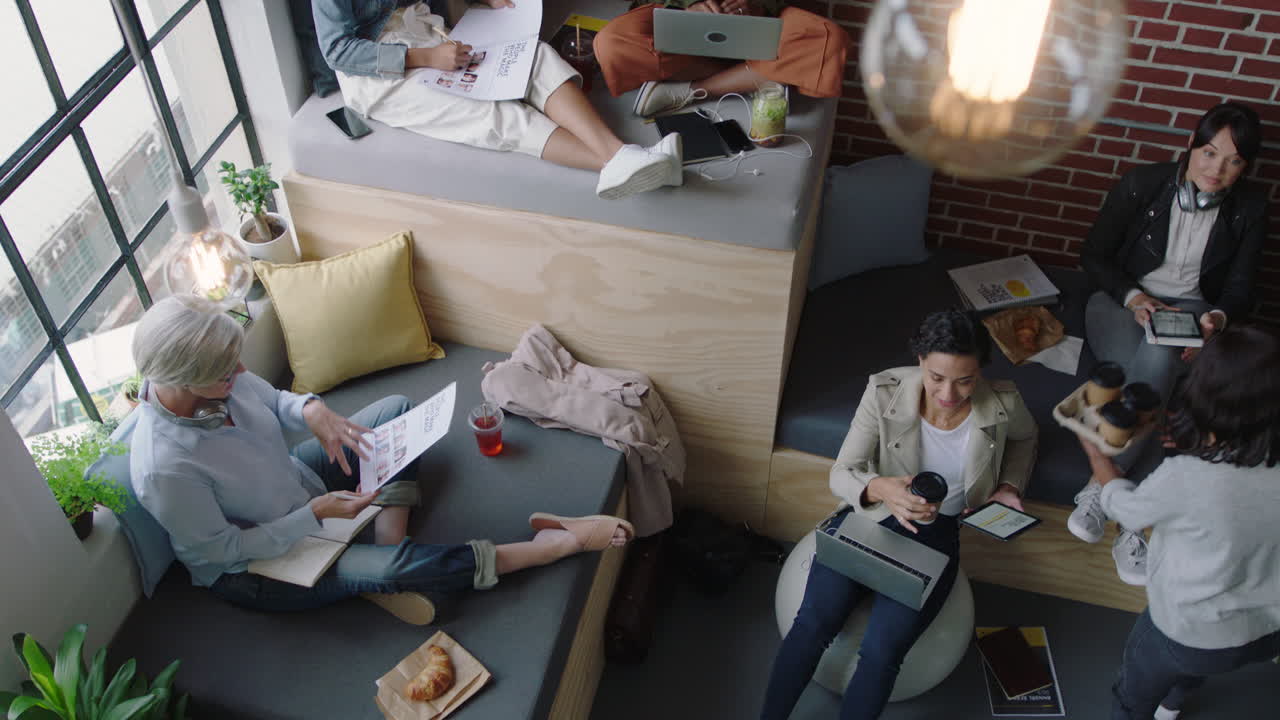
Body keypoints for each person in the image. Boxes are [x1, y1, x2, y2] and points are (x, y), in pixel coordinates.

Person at [129, 295, 632, 624]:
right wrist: (316, 515)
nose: (239, 370)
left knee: (393, 412)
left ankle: (384, 540)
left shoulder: (222, 377)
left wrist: (313, 409)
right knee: (397, 568)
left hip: (295, 485)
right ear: (181, 381)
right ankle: (544, 548)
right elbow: (221, 552)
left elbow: (275, 398)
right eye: (224, 372)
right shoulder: (164, 468)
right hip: (257, 565)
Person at [760, 310, 1037, 720]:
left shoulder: (1003, 403)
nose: (949, 394)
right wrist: (880, 488)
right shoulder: (883, 392)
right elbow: (842, 473)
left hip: (938, 534)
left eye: (965, 380)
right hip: (870, 518)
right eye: (937, 377)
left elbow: (1026, 438)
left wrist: (1010, 486)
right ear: (921, 361)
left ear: (979, 370)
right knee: (813, 624)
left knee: (882, 653)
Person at [1072, 101, 1268, 583]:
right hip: (1120, 305)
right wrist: (1136, 297)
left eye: (1233, 161)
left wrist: (1214, 322)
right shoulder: (1142, 183)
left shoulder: (1251, 209)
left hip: (1194, 314)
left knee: (1157, 362)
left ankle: (1101, 488)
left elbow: (1241, 291)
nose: (1217, 170)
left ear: (1246, 167)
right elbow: (1094, 257)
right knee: (1166, 375)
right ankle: (1134, 522)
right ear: (1192, 146)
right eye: (1209, 152)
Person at [1076, 324, 1280, 720]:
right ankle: (1173, 704)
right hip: (1263, 630)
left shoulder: (1186, 477)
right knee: (1200, 665)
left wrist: (1098, 455)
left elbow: (1125, 508)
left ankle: (1156, 704)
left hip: (1184, 631)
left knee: (1131, 698)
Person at [311, 0, 682, 200]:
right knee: (495, 113)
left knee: (530, 56)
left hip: (429, 31)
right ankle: (630, 163)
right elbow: (337, 51)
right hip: (380, 71)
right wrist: (426, 58)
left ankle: (625, 157)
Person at [593, 0, 850, 117]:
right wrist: (687, 8)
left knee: (828, 39)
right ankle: (754, 78)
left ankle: (692, 90)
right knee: (612, 42)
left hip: (759, 27)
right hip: (684, 25)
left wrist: (758, 7)